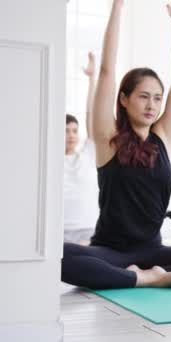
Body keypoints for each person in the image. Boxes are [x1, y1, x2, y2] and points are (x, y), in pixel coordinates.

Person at [61, 0, 171, 290]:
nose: (152, 105)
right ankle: (142, 278)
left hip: (154, 251)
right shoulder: (108, 138)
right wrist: (118, 8)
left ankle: (148, 274)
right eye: (144, 96)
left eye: (157, 98)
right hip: (111, 252)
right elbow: (107, 72)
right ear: (124, 98)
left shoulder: (163, 136)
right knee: (58, 257)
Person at [64, 52, 98, 245]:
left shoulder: (87, 154)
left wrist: (91, 79)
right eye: (66, 131)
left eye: (75, 131)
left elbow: (92, 115)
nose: (71, 135)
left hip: (88, 230)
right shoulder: (49, 160)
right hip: (59, 231)